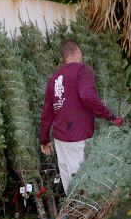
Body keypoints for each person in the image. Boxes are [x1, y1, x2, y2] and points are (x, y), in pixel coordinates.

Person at [40, 39, 123, 195]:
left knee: (68, 182)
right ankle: (83, 215)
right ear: (78, 51)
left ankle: (73, 216)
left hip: (60, 138)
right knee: (81, 181)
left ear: (63, 57)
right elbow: (87, 96)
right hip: (76, 136)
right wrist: (110, 116)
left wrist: (44, 139)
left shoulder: (54, 79)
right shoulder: (83, 70)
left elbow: (46, 113)